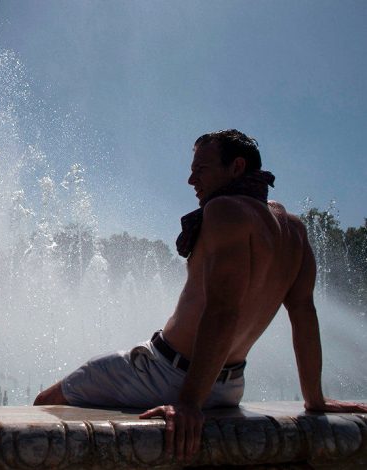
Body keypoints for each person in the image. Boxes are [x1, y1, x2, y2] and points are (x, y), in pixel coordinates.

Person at [34, 129, 367, 461]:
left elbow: (223, 309)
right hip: (229, 388)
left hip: (168, 375)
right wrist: (315, 399)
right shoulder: (294, 230)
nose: (191, 180)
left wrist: (189, 402)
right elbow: (304, 316)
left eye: (201, 169)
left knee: (45, 404)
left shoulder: (225, 211)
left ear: (237, 167)